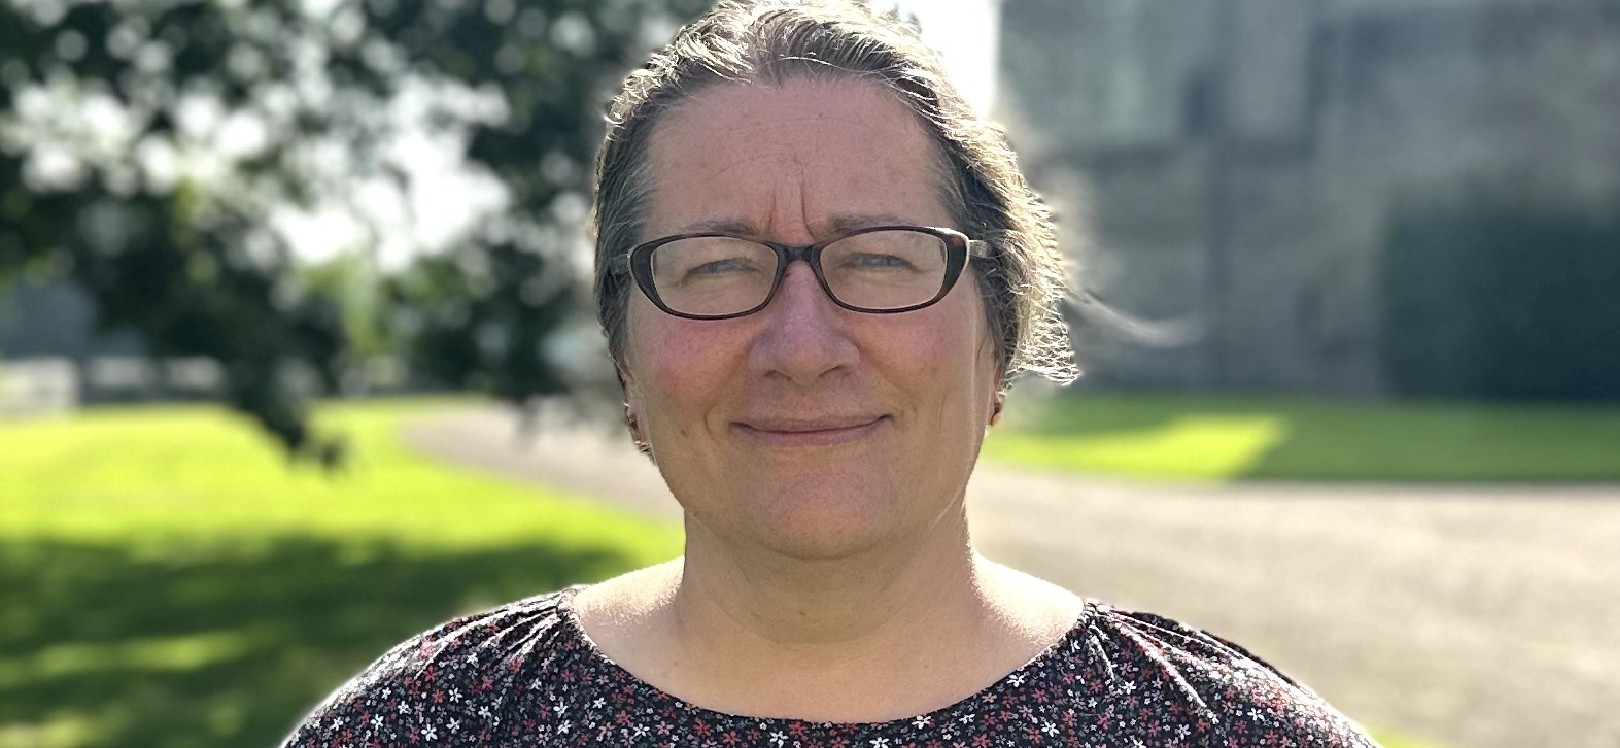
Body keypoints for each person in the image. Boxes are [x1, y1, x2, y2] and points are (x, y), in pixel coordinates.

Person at [282, 1, 1377, 745]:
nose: (803, 346)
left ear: (996, 336)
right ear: (626, 359)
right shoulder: (433, 724)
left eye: (881, 259)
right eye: (715, 268)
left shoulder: (1225, 733)